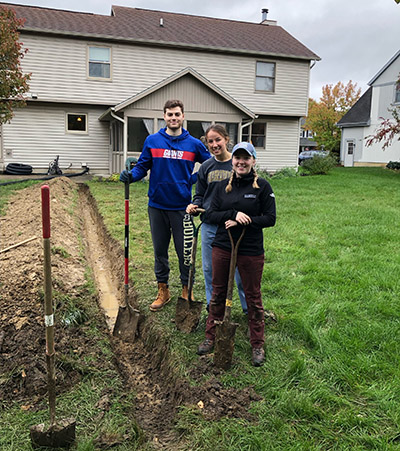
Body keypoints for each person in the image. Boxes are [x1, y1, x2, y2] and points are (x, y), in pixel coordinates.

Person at [120, 100, 210, 312]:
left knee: (184, 252)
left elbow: (208, 165)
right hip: (157, 206)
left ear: (183, 116)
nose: (173, 118)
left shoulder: (194, 144)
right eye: (170, 114)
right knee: (160, 251)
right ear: (164, 117)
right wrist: (130, 176)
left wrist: (193, 178)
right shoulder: (153, 141)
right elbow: (142, 167)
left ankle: (187, 290)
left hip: (182, 207)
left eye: (177, 114)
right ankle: (163, 290)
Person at [196, 142, 276, 367]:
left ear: (253, 161)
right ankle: (211, 335)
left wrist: (246, 220)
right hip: (223, 245)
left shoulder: (262, 186)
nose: (241, 162)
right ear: (233, 161)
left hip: (250, 248)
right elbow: (210, 214)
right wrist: (232, 214)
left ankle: (257, 343)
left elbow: (270, 218)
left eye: (246, 158)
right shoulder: (222, 187)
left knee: (253, 296)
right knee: (218, 292)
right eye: (238, 158)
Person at [186, 124, 248, 313]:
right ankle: (213, 307)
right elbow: (200, 194)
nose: (214, 144)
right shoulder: (206, 167)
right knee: (209, 269)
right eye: (210, 141)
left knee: (239, 270)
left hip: (234, 225)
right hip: (210, 225)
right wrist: (195, 205)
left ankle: (248, 309)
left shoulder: (237, 164)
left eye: (218, 140)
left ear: (227, 140)